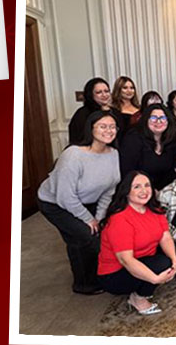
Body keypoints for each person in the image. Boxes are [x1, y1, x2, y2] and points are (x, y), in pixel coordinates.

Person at [38, 112, 121, 294]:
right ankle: (83, 284)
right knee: (85, 237)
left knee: (86, 236)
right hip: (55, 203)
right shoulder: (73, 155)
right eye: (103, 126)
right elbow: (65, 196)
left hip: (86, 202)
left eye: (112, 126)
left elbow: (109, 190)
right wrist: (88, 219)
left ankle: (90, 277)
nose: (109, 130)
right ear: (91, 129)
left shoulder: (113, 154)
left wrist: (98, 217)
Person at [98, 171, 176, 315]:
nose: (144, 191)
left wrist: (175, 261)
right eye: (137, 187)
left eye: (147, 185)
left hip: (142, 258)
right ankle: (138, 299)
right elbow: (126, 260)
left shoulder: (154, 209)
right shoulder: (120, 219)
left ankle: (145, 283)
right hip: (115, 273)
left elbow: (165, 237)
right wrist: (154, 279)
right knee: (162, 265)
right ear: (126, 191)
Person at [68, 78, 115, 146]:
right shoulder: (82, 114)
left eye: (106, 91)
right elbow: (78, 139)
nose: (104, 95)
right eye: (99, 92)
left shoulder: (115, 112)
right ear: (91, 94)